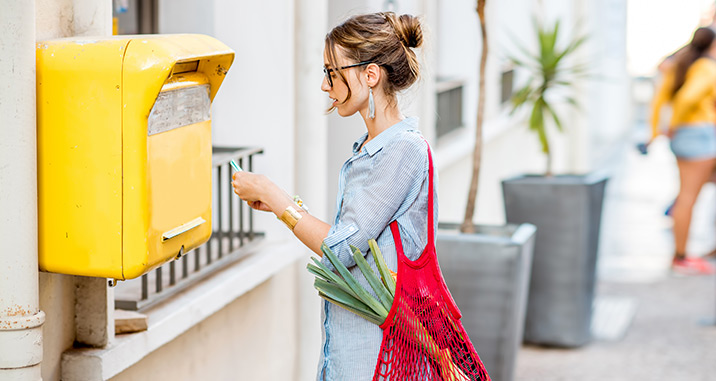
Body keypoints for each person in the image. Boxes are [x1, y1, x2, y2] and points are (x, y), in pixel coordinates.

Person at [232, 12, 437, 380]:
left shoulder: (401, 151)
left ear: (370, 75)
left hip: (380, 361)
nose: (327, 86)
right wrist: (285, 207)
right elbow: (350, 238)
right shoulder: (369, 149)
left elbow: (343, 251)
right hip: (349, 352)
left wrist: (278, 200)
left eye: (333, 72)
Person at [649, 27, 716, 275]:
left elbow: (660, 99)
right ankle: (680, 257)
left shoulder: (684, 65)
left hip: (690, 135)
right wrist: (675, 124)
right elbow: (687, 99)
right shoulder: (707, 68)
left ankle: (683, 255)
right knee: (687, 197)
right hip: (698, 134)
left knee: (687, 195)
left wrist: (660, 129)